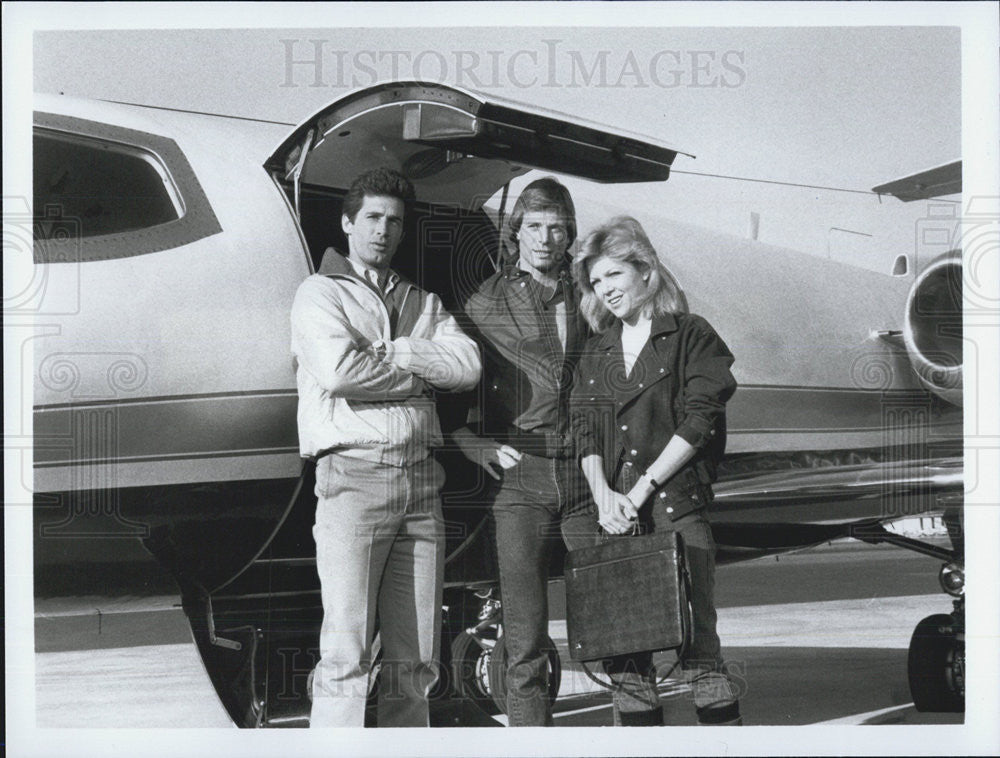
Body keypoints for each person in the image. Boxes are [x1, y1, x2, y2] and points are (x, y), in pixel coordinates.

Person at [290, 167, 481, 727]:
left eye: (394, 221)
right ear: (348, 223)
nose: (383, 230)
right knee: (347, 651)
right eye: (372, 217)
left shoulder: (422, 300)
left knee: (414, 659)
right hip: (354, 477)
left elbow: (467, 366)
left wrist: (396, 352)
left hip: (422, 483)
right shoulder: (319, 292)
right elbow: (341, 371)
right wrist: (424, 371)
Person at [570, 215, 742, 727]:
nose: (605, 291)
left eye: (614, 276)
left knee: (698, 648)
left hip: (674, 506)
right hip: (616, 516)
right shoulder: (596, 351)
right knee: (624, 656)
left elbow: (699, 421)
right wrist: (604, 497)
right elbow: (586, 431)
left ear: (645, 272)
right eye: (597, 282)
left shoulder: (691, 335)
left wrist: (639, 491)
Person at [451, 177, 598, 726]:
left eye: (557, 228)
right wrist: (468, 439)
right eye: (534, 227)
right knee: (524, 633)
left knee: (613, 616)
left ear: (570, 235)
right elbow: (454, 380)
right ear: (516, 233)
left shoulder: (591, 297)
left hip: (589, 474)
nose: (545, 238)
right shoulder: (484, 302)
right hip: (521, 478)